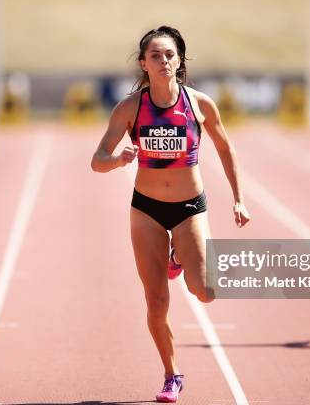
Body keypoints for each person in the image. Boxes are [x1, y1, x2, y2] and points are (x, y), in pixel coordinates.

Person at [91, 26, 250, 402]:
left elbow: (227, 150)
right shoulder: (130, 108)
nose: (163, 61)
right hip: (146, 210)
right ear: (143, 63)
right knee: (156, 301)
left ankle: (178, 253)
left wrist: (239, 198)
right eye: (155, 55)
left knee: (206, 292)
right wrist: (117, 161)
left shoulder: (199, 104)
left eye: (169, 54)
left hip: (189, 207)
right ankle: (171, 373)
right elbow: (97, 160)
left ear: (180, 60)